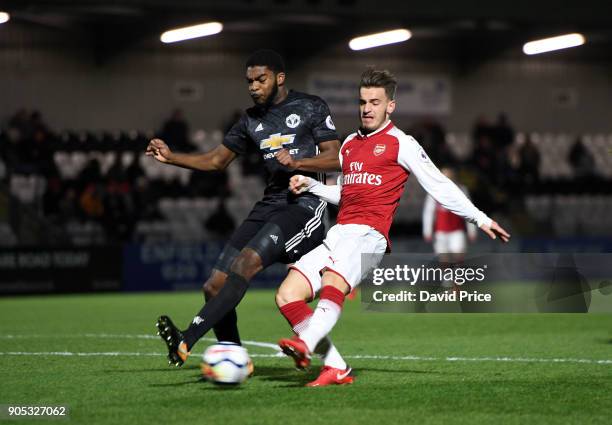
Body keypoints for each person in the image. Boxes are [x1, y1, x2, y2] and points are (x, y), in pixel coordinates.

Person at [275, 69, 510, 386]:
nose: (367, 108)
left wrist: (479, 218)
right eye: (362, 102)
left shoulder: (402, 143)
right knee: (287, 295)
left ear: (391, 106)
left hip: (369, 237)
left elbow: (439, 185)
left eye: (375, 101)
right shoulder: (349, 144)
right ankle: (336, 367)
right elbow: (347, 195)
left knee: (333, 279)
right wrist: (311, 187)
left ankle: (306, 342)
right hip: (340, 233)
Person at [147, 50, 346, 370]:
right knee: (213, 285)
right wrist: (171, 158)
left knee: (247, 263)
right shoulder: (250, 120)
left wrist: (298, 163)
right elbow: (216, 161)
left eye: (260, 79)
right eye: (249, 81)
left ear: (279, 78)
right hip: (270, 204)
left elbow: (336, 157)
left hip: (306, 205)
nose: (253, 86)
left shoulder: (311, 106)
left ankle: (187, 339)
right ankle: (234, 355)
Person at [422, 166, 477, 272]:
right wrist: (427, 231)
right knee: (444, 257)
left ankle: (457, 280)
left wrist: (472, 230)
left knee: (458, 255)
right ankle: (447, 281)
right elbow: (429, 212)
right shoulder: (434, 191)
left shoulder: (461, 190)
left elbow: (469, 210)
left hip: (457, 230)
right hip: (441, 231)